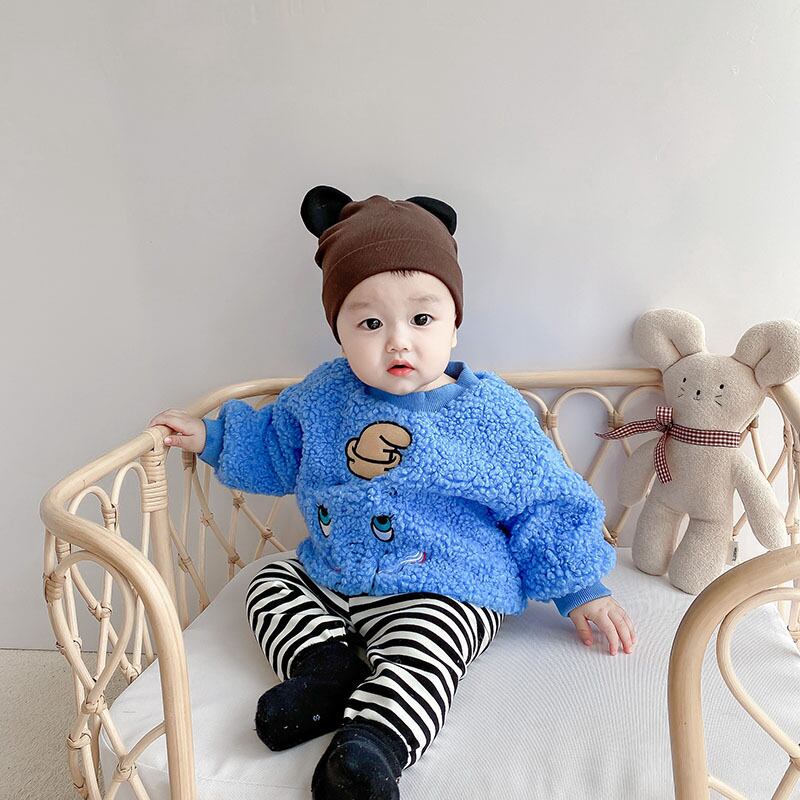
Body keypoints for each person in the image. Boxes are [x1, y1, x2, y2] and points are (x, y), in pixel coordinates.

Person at [148, 186, 637, 800]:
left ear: (455, 327)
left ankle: (371, 745)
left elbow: (544, 500)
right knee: (267, 582)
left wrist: (578, 587)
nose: (398, 341)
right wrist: (212, 438)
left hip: (445, 585)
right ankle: (325, 670)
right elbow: (276, 448)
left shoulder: (490, 414)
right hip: (331, 571)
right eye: (371, 323)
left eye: (422, 320)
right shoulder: (324, 395)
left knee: (425, 653)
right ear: (340, 333)